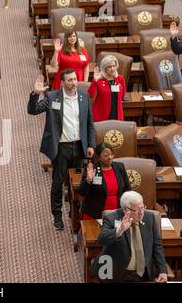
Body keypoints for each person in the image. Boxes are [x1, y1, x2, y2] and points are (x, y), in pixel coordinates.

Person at [27, 69, 96, 230]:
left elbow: (90, 124)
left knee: (79, 182)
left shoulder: (84, 97)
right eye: (70, 80)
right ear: (63, 82)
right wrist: (35, 94)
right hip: (61, 148)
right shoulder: (52, 97)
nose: (74, 83)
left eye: (75, 79)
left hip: (79, 147)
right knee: (58, 183)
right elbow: (32, 110)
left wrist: (91, 144)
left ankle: (77, 212)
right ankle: (57, 215)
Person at [91, 191, 168, 283]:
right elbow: (101, 240)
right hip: (118, 275)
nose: (141, 213)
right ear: (125, 209)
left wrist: (162, 270)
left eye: (143, 208)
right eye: (136, 210)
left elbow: (157, 245)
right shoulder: (111, 218)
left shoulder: (149, 217)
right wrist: (119, 231)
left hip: (144, 274)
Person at [79, 143, 131, 220]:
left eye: (111, 154)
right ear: (99, 157)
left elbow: (127, 189)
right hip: (95, 214)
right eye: (106, 155)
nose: (110, 157)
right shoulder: (92, 169)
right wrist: (88, 180)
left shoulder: (119, 167)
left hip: (117, 213)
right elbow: (82, 192)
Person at [88, 55, 126, 122]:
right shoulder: (99, 80)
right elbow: (90, 95)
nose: (112, 69)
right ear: (104, 68)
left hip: (117, 116)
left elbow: (122, 95)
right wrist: (94, 81)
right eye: (109, 67)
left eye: (114, 66)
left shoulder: (120, 79)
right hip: (101, 116)